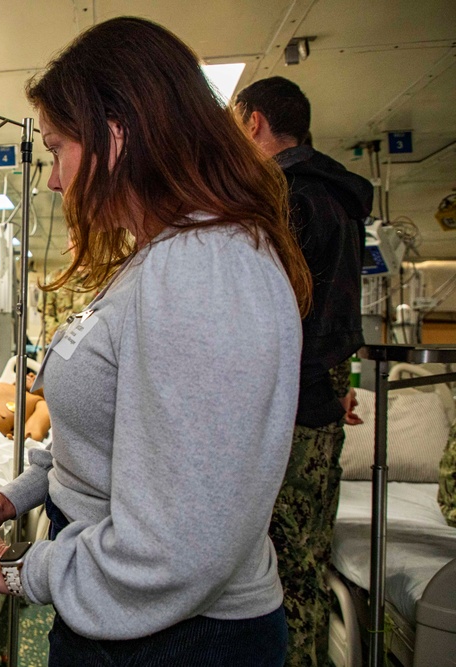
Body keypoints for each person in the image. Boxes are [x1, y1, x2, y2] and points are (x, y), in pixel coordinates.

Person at [0, 17, 313, 666]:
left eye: (58, 147)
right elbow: (106, 446)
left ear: (115, 137)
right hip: (125, 604)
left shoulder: (203, 266)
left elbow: (178, 548)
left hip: (177, 635)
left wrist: (13, 565)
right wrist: (8, 499)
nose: (53, 180)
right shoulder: (161, 259)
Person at [235, 76, 374, 667]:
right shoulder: (342, 198)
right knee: (309, 557)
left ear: (255, 123)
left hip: (289, 403)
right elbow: (335, 310)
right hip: (322, 395)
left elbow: (270, 314)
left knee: (279, 566)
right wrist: (335, 384)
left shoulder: (283, 197)